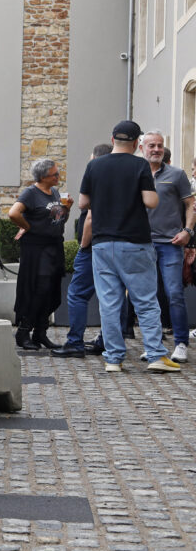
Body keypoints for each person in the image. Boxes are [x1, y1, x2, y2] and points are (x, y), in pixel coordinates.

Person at [80, 120, 179, 373]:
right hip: (134, 242)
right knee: (145, 302)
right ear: (137, 143)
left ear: (113, 139)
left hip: (102, 243)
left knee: (109, 303)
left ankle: (113, 359)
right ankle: (156, 355)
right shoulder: (139, 165)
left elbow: (82, 203)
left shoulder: (94, 165)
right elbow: (151, 201)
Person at [52, 143, 112, 358]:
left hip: (93, 247)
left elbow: (90, 218)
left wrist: (83, 245)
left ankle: (75, 342)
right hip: (114, 245)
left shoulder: (96, 178)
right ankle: (106, 341)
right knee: (111, 296)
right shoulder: (119, 180)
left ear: (95, 159)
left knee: (77, 294)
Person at [140, 130, 195, 363]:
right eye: (151, 145)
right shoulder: (136, 173)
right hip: (142, 244)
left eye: (160, 145)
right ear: (142, 148)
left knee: (174, 294)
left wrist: (188, 232)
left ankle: (181, 343)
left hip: (170, 244)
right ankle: (154, 345)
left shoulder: (177, 174)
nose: (156, 149)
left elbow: (190, 205)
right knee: (148, 297)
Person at [8, 159, 71, 350]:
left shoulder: (55, 192)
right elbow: (13, 213)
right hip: (36, 248)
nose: (58, 176)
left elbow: (59, 220)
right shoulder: (31, 193)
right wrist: (28, 227)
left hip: (54, 246)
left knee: (52, 289)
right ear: (43, 176)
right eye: (55, 174)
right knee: (39, 288)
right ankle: (23, 331)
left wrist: (67, 208)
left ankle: (40, 333)